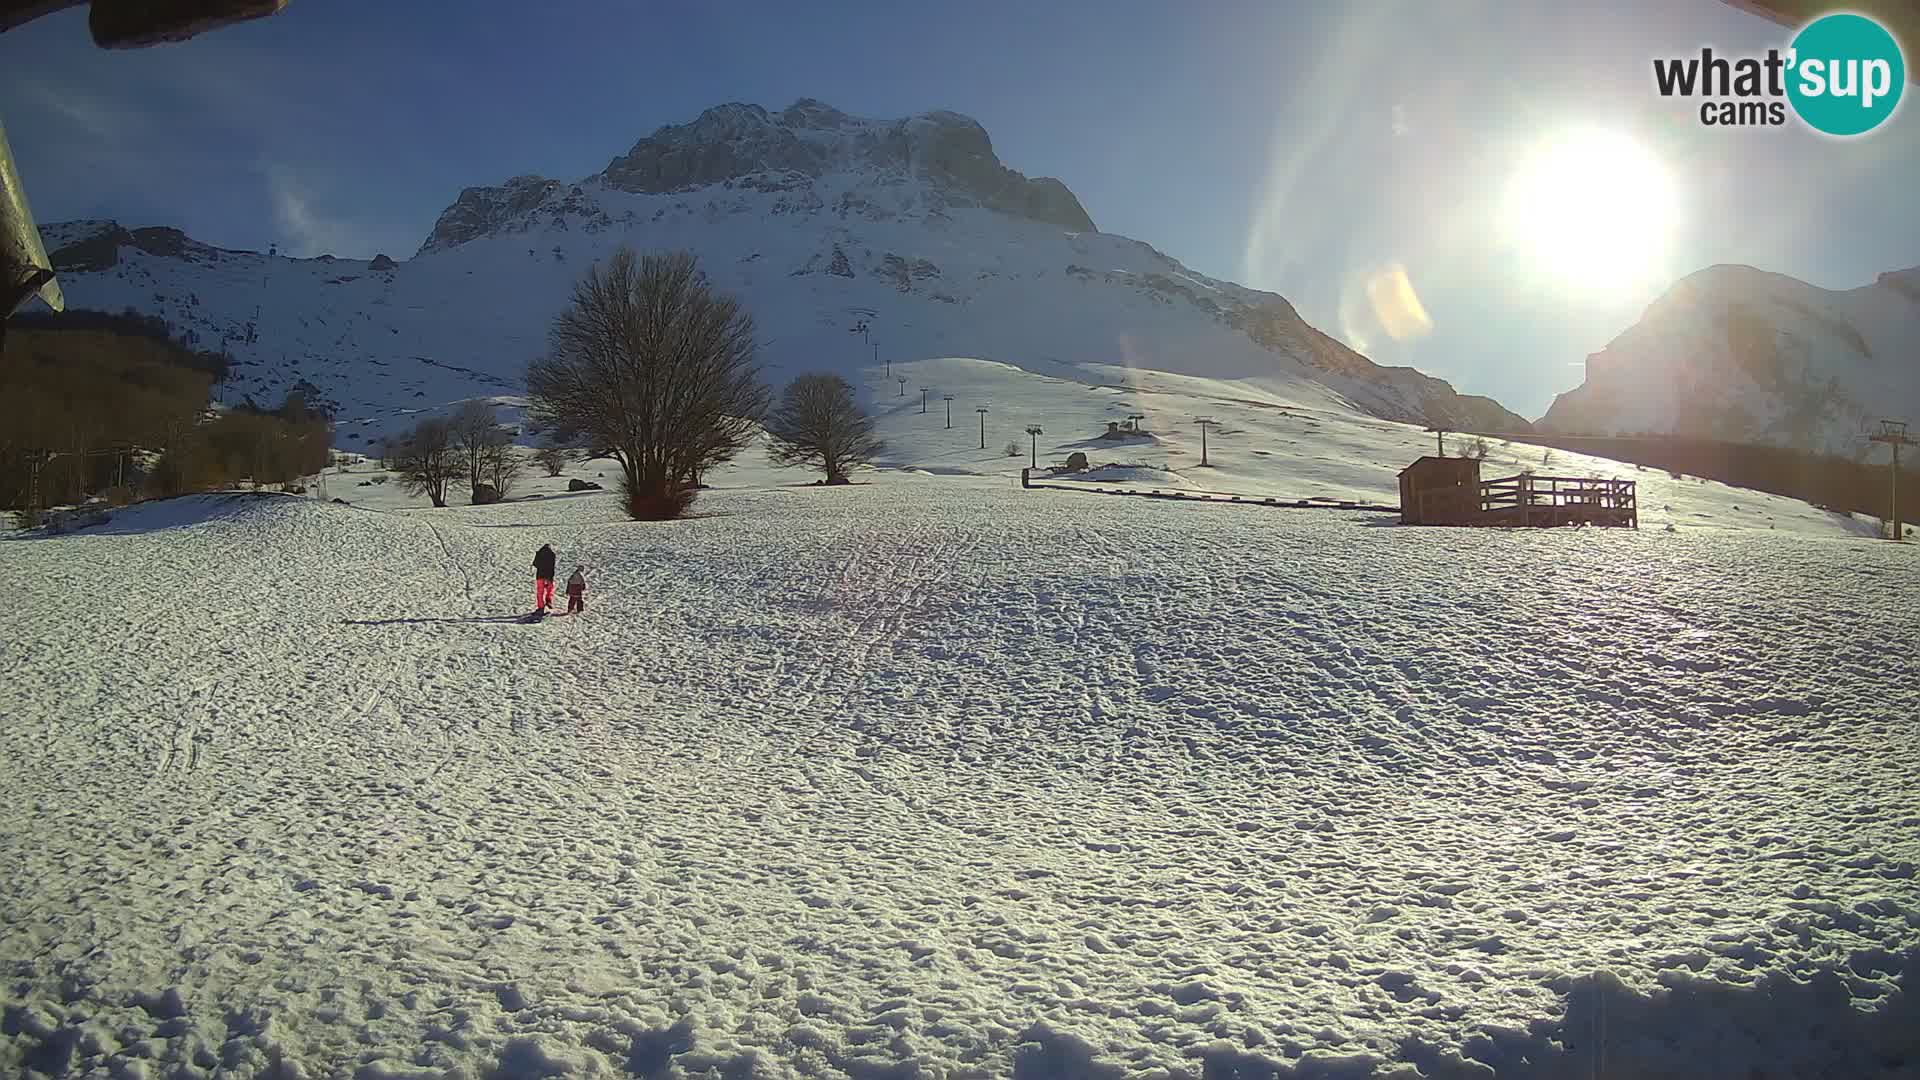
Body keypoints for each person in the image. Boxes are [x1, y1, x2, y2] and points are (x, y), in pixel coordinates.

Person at [533, 544, 557, 612]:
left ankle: (541, 606)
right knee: (550, 589)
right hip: (549, 575)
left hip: (540, 575)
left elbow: (535, 564)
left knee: (540, 592)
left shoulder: (539, 553)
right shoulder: (552, 554)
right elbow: (552, 566)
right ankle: (548, 600)